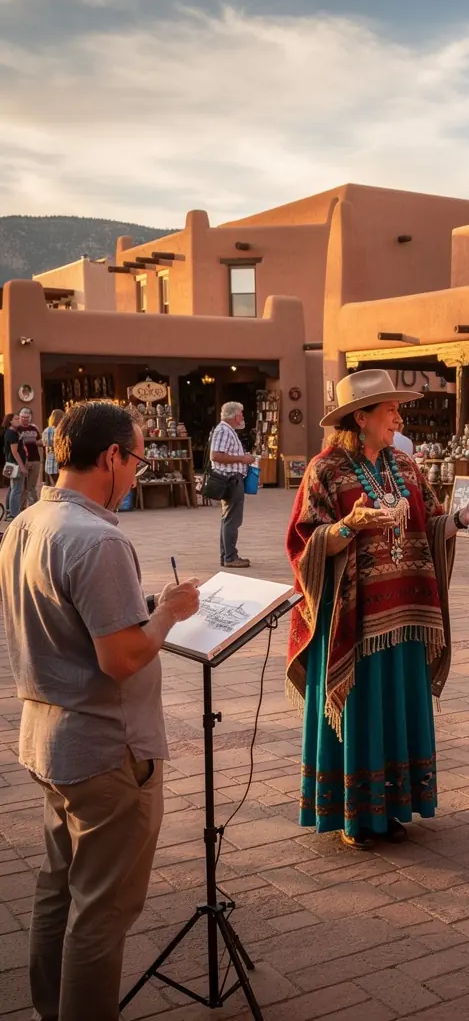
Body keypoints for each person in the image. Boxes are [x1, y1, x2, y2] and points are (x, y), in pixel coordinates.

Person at [0, 401, 200, 1021]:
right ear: (111, 457)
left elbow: (68, 614)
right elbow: (122, 658)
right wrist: (166, 614)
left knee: (58, 891)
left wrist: (140, 604)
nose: (138, 474)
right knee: (101, 913)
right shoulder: (99, 538)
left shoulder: (27, 521)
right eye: (136, 459)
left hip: (49, 738)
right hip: (107, 749)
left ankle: (49, 1008)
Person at [286, 369, 469, 850]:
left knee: (396, 710)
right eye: (389, 409)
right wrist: (347, 526)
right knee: (364, 711)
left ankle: (390, 807)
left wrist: (459, 518)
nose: (398, 417)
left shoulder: (405, 466)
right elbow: (304, 542)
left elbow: (429, 519)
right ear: (361, 416)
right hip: (355, 618)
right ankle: (355, 815)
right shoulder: (325, 470)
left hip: (407, 615)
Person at [209, 401, 257, 568]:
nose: (242, 417)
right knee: (232, 520)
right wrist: (243, 459)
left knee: (229, 519)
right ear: (235, 416)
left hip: (233, 478)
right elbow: (215, 456)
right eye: (241, 414)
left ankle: (227, 555)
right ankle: (230, 557)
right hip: (230, 480)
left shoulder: (227, 430)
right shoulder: (223, 430)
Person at [16, 407, 42, 508]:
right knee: (22, 487)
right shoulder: (17, 429)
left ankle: (33, 508)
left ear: (30, 418)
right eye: (23, 417)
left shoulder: (34, 428)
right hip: (24, 460)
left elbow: (40, 441)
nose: (25, 419)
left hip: (35, 459)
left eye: (27, 417)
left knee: (31, 486)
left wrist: (37, 442)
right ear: (19, 418)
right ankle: (21, 508)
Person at [4, 411, 27, 519]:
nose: (19, 420)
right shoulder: (12, 433)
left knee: (12, 488)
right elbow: (14, 451)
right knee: (16, 489)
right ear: (10, 421)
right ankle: (14, 514)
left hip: (10, 464)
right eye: (16, 419)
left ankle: (9, 511)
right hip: (15, 465)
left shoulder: (11, 432)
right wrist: (22, 466)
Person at [41, 408, 64, 487]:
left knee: (52, 484)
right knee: (59, 484)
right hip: (58, 458)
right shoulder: (59, 430)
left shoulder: (46, 430)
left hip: (50, 458)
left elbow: (45, 446)